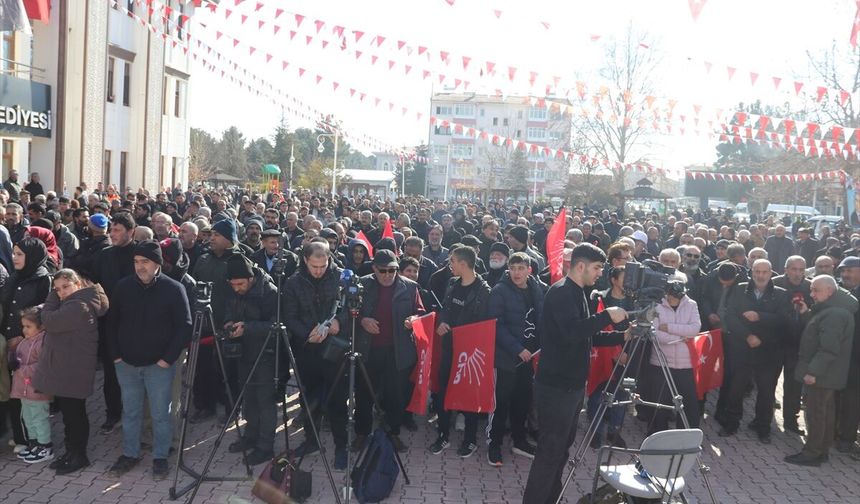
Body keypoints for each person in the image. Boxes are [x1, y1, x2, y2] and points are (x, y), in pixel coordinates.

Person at [523, 243, 627, 504]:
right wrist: (607, 317)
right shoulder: (560, 293)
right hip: (556, 388)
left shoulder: (580, 292)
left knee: (561, 451)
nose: (599, 274)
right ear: (580, 266)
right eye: (596, 268)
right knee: (549, 453)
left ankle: (551, 498)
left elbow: (585, 336)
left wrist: (621, 335)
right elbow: (572, 332)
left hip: (572, 387)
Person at [108, 241, 192, 480]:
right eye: (136, 261)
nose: (140, 266)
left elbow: (184, 327)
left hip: (159, 365)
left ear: (157, 264)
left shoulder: (174, 289)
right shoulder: (123, 287)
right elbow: (112, 323)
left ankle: (160, 457)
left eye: (145, 262)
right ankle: (130, 454)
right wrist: (116, 356)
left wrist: (167, 360)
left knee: (160, 414)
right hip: (127, 364)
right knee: (131, 412)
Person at [35, 269, 109, 474]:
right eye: (57, 289)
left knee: (75, 415)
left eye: (65, 287)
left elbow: (48, 320)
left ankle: (79, 456)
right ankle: (71, 453)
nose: (61, 292)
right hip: (68, 368)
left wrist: (51, 296)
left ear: (78, 284)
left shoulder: (79, 305)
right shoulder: (74, 301)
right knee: (70, 415)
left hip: (73, 370)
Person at [283, 242, 349, 469]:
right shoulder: (293, 283)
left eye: (323, 265)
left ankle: (342, 446)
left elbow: (352, 307)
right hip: (307, 350)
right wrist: (306, 333)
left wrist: (340, 321)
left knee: (338, 399)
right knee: (309, 398)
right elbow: (289, 316)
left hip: (335, 349)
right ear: (305, 261)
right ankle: (311, 440)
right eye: (314, 266)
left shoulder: (340, 277)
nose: (319, 270)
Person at [355, 250, 425, 453]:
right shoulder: (362, 284)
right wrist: (362, 320)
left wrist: (414, 320)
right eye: (383, 270)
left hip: (397, 351)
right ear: (374, 269)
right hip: (368, 350)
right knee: (364, 394)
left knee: (395, 396)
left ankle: (392, 433)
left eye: (392, 270)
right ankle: (362, 433)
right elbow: (348, 310)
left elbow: (420, 312)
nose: (387, 275)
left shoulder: (410, 287)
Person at [785, 275, 858, 466]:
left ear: (830, 291)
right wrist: (806, 314)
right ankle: (821, 451)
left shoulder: (834, 313)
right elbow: (820, 331)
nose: (812, 294)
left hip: (823, 375)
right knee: (826, 412)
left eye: (816, 290)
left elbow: (828, 348)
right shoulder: (833, 309)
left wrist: (813, 372)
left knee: (816, 414)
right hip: (828, 374)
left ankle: (812, 453)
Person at [429, 246, 491, 458]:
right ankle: (443, 435)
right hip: (448, 349)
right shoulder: (452, 283)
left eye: (452, 261)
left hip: (469, 354)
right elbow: (446, 308)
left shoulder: (484, 291)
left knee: (468, 395)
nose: (450, 265)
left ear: (463, 263)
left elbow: (484, 325)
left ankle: (470, 440)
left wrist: (461, 333)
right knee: (443, 392)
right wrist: (443, 322)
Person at [720, 259, 789, 444]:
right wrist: (747, 336)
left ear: (771, 272)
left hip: (769, 352)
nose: (760, 275)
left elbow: (783, 321)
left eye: (764, 272)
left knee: (766, 392)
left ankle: (763, 427)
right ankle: (731, 423)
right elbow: (731, 317)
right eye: (757, 271)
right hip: (742, 348)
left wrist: (760, 317)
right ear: (752, 272)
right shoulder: (739, 289)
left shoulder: (781, 295)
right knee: (736, 389)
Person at [486, 252, 544, 467]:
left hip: (530, 359)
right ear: (508, 269)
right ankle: (494, 445)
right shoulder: (499, 291)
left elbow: (542, 317)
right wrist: (517, 348)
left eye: (521, 268)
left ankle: (520, 441)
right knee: (500, 404)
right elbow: (496, 324)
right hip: (506, 359)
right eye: (513, 268)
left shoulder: (536, 288)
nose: (517, 272)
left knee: (523, 401)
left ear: (529, 270)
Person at [223, 256, 279, 465]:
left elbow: (277, 325)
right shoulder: (233, 288)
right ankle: (250, 436)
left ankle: (265, 447)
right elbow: (228, 308)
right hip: (242, 353)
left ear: (251, 278)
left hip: (266, 354)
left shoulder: (269, 292)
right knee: (249, 398)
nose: (236, 288)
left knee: (265, 401)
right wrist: (229, 322)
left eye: (240, 284)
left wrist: (247, 327)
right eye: (233, 284)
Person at [0, 237, 52, 451]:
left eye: (19, 254)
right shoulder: (15, 276)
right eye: (14, 253)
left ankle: (33, 439)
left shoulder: (42, 279)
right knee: (13, 391)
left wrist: (23, 337)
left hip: (28, 345)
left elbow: (43, 313)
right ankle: (21, 436)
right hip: (9, 341)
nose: (14, 257)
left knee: (27, 393)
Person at [93, 211, 138, 434]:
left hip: (134, 322)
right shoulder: (105, 255)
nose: (113, 234)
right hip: (110, 321)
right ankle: (113, 413)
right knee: (111, 372)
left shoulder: (140, 254)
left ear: (130, 232)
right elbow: (96, 283)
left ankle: (134, 416)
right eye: (111, 229)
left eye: (117, 230)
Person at [648, 280, 703, 433]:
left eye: (677, 296)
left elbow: (694, 329)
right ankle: (658, 434)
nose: (673, 299)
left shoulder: (691, 304)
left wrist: (670, 328)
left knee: (689, 402)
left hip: (685, 365)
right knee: (659, 402)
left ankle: (686, 434)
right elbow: (655, 334)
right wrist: (681, 337)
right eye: (671, 295)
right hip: (661, 363)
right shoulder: (656, 305)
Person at [772, 256, 812, 435]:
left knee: (794, 385)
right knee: (768, 382)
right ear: (786, 269)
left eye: (801, 270)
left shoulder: (811, 287)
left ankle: (790, 420)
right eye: (794, 269)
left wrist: (806, 313)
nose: (797, 274)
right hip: (775, 342)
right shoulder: (774, 283)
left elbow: (816, 318)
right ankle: (764, 420)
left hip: (798, 344)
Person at [10, 307, 53, 463]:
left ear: (41, 327)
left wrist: (22, 369)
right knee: (28, 418)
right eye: (23, 326)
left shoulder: (43, 342)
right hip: (23, 390)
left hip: (37, 390)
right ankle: (34, 443)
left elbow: (42, 365)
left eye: (29, 326)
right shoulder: (24, 342)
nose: (24, 330)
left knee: (39, 418)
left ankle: (45, 446)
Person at [834, 257, 860, 455]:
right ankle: (835, 432)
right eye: (843, 271)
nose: (845, 275)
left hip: (856, 358)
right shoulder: (839, 292)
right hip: (839, 354)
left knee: (852, 399)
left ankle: (847, 438)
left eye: (850, 271)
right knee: (837, 396)